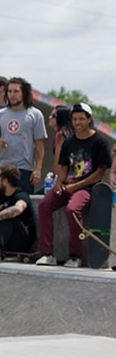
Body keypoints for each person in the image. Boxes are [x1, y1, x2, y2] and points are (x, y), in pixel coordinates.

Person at [36, 103, 112, 268]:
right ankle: (47, 253)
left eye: (81, 119)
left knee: (73, 209)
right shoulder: (69, 141)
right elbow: (63, 168)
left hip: (87, 187)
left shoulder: (99, 141)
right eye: (75, 119)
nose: (77, 122)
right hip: (67, 185)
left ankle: (75, 255)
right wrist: (59, 183)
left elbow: (99, 173)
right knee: (44, 205)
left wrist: (76, 187)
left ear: (89, 120)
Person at [0, 77, 46, 193]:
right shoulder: (0, 114)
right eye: (10, 91)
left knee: (22, 206)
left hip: (24, 169)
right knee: (3, 206)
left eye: (16, 91)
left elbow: (40, 145)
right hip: (3, 168)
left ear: (24, 93)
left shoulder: (35, 114)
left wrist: (38, 169)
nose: (12, 95)